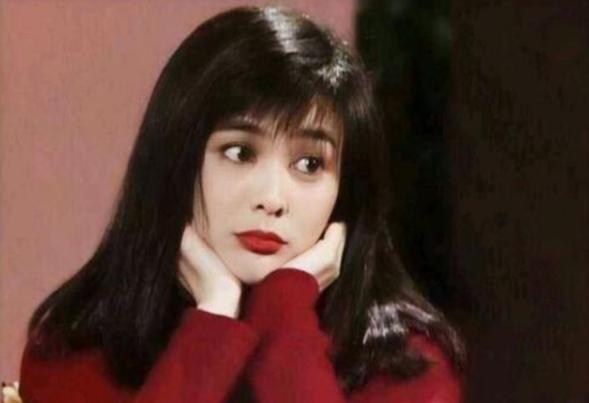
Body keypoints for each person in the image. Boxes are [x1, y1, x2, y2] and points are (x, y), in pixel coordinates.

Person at [18, 5, 466, 402]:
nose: (271, 199)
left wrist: (284, 313)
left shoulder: (408, 366)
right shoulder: (76, 351)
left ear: (345, 192)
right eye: (239, 153)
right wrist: (212, 318)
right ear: (177, 161)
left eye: (310, 164)